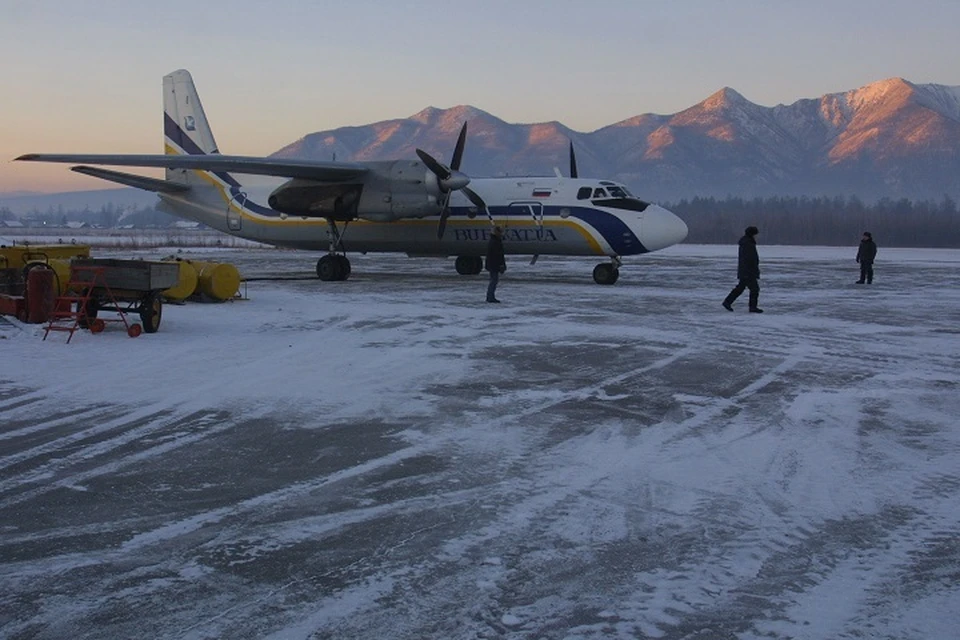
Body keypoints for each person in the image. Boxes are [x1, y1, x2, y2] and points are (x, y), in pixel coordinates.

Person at [722, 226, 763, 313]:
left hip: (745, 271)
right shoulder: (748, 243)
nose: (757, 236)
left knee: (740, 288)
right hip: (748, 271)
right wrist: (752, 270)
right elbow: (750, 259)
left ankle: (727, 302)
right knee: (754, 289)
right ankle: (752, 307)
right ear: (752, 234)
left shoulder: (747, 242)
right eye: (756, 234)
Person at [485, 226, 506, 303]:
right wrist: (501, 265)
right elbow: (498, 255)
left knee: (493, 281)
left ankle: (490, 296)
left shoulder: (494, 241)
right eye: (500, 232)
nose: (502, 234)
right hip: (494, 265)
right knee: (493, 281)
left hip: (492, 264)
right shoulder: (495, 242)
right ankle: (490, 297)